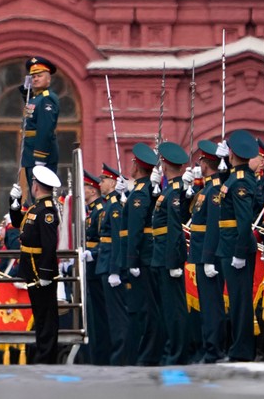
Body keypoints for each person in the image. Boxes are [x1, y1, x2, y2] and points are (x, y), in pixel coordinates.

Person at [215, 129, 260, 363]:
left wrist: (240, 252)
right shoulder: (235, 176)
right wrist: (221, 166)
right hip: (229, 245)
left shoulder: (241, 180)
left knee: (240, 301)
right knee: (235, 300)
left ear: (232, 153)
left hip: (236, 247)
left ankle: (241, 350)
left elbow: (244, 222)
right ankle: (237, 347)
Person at [120, 142, 163, 366]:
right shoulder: (140, 190)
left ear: (138, 166)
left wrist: (131, 259)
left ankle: (149, 355)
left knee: (147, 309)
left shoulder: (140, 193)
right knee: (142, 307)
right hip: (143, 256)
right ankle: (145, 354)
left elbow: (135, 230)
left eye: (133, 163)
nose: (131, 165)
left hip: (142, 257)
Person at [16, 164, 61, 363]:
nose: (32, 185)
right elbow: (19, 223)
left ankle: (47, 356)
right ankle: (43, 354)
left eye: (33, 182)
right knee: (40, 314)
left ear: (37, 186)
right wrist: (14, 202)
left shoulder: (47, 210)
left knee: (46, 316)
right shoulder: (36, 208)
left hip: (40, 269)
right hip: (32, 268)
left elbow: (49, 244)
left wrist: (44, 273)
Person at [151, 141, 190, 365]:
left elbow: (175, 227)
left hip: (169, 257)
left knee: (175, 309)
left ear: (164, 166)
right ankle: (171, 350)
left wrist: (175, 260)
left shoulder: (174, 190)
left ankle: (178, 353)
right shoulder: (168, 190)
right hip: (163, 255)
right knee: (168, 309)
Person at [191, 140, 228, 364]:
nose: (200, 164)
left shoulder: (215, 189)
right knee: (207, 305)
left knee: (213, 306)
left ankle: (214, 350)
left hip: (209, 255)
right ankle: (209, 347)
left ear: (206, 163)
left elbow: (214, 225)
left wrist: (208, 258)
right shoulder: (206, 188)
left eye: (201, 160)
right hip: (200, 253)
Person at [98, 163, 128, 365]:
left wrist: (115, 269)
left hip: (111, 265)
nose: (101, 183)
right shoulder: (109, 204)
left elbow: (118, 238)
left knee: (118, 316)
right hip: (104, 262)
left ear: (113, 181)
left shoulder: (116, 205)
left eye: (103, 180)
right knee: (110, 315)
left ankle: (121, 356)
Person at [82, 170, 110, 365]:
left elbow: (105, 240)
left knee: (100, 315)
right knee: (93, 315)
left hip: (97, 265)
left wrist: (93, 253)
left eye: (84, 187)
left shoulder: (100, 210)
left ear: (92, 190)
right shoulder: (92, 210)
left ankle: (102, 354)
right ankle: (96, 353)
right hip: (91, 267)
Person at [19, 56, 60, 178]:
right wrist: (25, 91)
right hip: (30, 153)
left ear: (48, 79)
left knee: (40, 193)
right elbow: (32, 110)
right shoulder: (36, 98)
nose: (35, 79)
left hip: (41, 155)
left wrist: (40, 157)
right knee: (33, 193)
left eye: (39, 76)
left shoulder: (47, 98)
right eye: (33, 76)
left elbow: (45, 128)